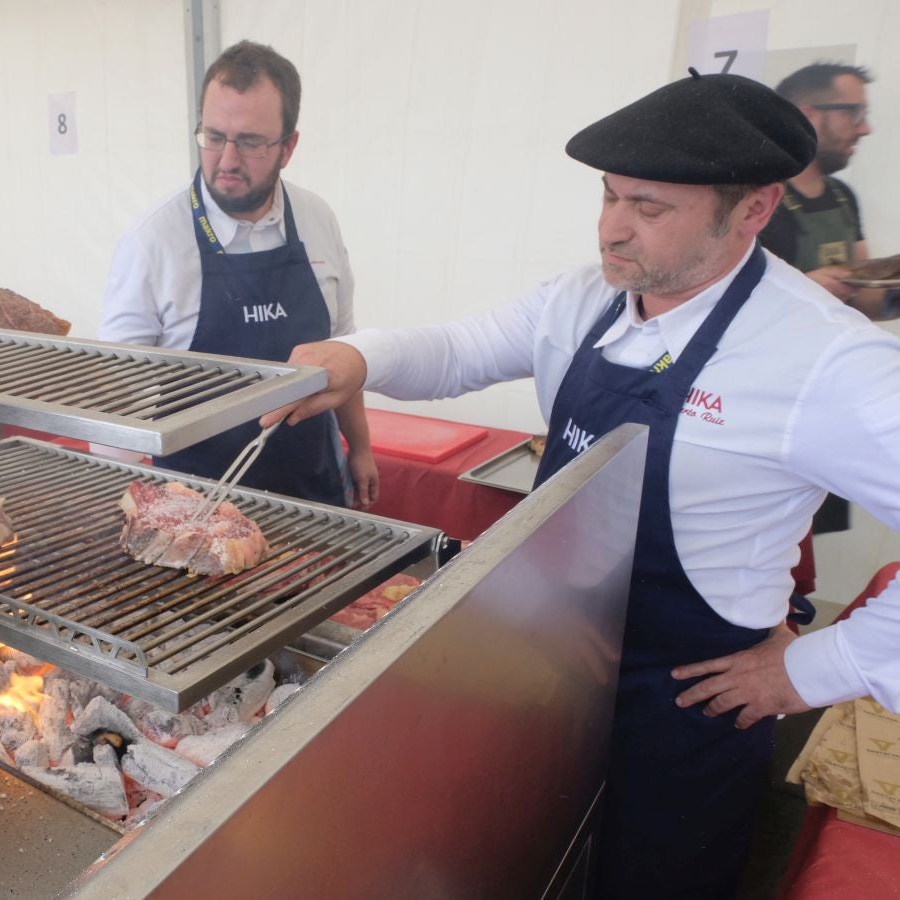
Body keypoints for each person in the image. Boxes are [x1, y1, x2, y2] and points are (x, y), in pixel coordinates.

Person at [266, 71, 900, 899]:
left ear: (754, 209)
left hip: (686, 711)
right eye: (608, 196)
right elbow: (460, 349)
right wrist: (361, 356)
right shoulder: (585, 299)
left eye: (650, 208)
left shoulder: (823, 358)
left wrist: (818, 669)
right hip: (554, 678)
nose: (612, 229)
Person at [99, 41, 377, 509]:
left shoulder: (317, 219)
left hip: (316, 496)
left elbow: (343, 348)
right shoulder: (152, 241)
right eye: (213, 137)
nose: (227, 160)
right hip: (196, 512)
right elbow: (115, 399)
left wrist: (362, 446)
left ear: (288, 147)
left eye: (249, 142)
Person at [761, 63, 898, 321]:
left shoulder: (842, 196)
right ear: (808, 116)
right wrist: (802, 291)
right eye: (854, 113)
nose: (865, 128)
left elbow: (860, 298)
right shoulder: (752, 202)